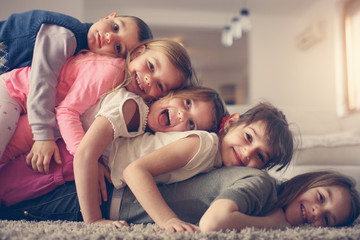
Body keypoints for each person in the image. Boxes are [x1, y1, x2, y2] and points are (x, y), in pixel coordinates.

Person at [1, 101, 294, 232]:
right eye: (247, 138)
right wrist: (166, 221)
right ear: (230, 122)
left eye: (260, 157)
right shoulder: (204, 144)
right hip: (94, 177)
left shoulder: (216, 162)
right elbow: (134, 171)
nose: (247, 154)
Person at [0, 85, 227, 206]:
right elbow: (85, 154)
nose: (180, 115)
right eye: (187, 103)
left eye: (190, 124)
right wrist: (94, 221)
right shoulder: (130, 106)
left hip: (64, 150)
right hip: (45, 133)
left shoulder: (146, 129)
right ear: (171, 93)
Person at [1, 39, 197, 172]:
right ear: (138, 52)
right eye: (151, 67)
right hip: (14, 90)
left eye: (160, 85)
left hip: (32, 108)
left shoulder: (124, 86)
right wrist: (88, 161)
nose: (148, 79)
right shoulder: (109, 72)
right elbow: (67, 111)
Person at [0, 10, 153, 162]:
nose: (109, 37)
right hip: (11, 87)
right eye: (115, 28)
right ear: (110, 16)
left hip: (16, 90)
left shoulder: (96, 59)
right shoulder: (65, 35)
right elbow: (43, 78)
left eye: (118, 47)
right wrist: (43, 136)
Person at [1, 168, 358, 231]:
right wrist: (273, 224)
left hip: (113, 202)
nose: (316, 212)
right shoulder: (262, 186)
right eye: (321, 197)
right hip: (107, 197)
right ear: (310, 182)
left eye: (326, 219)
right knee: (9, 209)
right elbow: (212, 224)